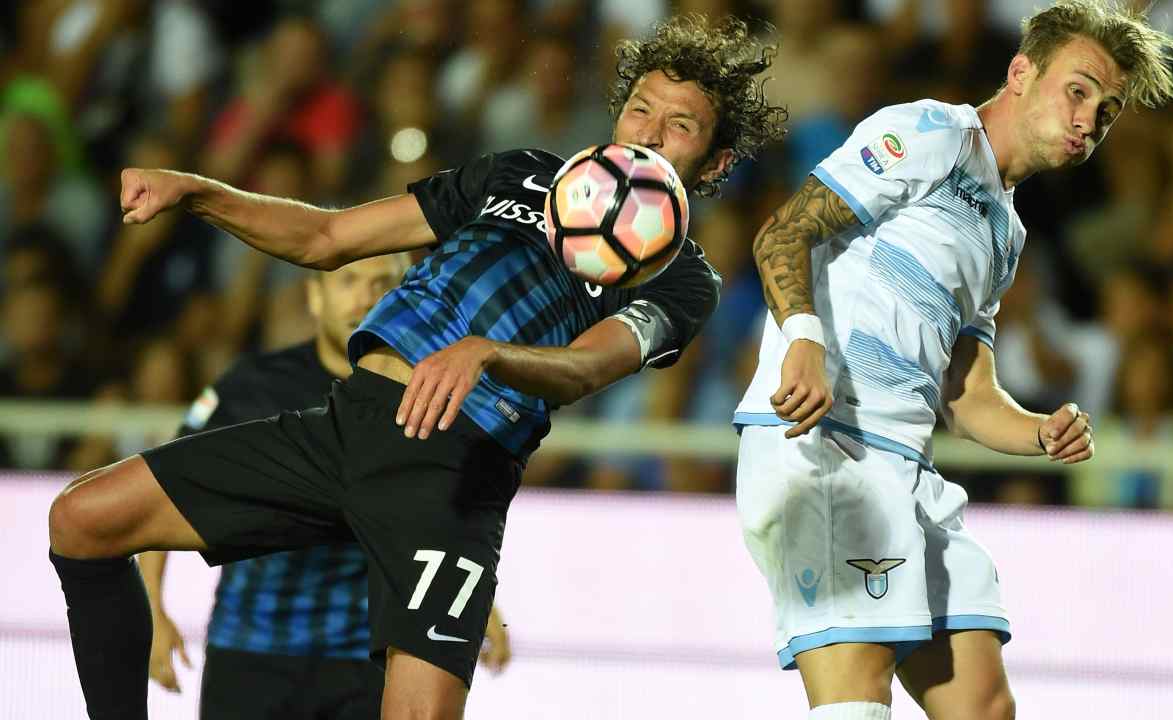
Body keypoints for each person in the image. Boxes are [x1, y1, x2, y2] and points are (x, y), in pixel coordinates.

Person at [46, 14, 786, 720]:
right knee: (83, 518)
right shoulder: (520, 175)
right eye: (639, 110)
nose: (647, 135)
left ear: (715, 161)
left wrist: (489, 353)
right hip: (347, 426)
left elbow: (584, 370)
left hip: (453, 476)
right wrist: (201, 191)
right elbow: (328, 237)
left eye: (679, 125)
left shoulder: (682, 278)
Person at [733, 2, 1173, 718]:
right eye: (1078, 90)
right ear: (1020, 72)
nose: (1089, 120)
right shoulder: (932, 132)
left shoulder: (1006, 231)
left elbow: (964, 394)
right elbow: (783, 235)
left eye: (1108, 109)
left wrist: (1039, 431)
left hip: (908, 468)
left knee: (984, 708)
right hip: (826, 445)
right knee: (857, 698)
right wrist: (807, 342)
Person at [138, 255, 512, 719]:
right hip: (251, 654)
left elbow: (442, 515)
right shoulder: (250, 387)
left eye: (381, 283)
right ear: (315, 297)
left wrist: (482, 606)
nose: (364, 297)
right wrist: (150, 608)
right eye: (348, 281)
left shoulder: (428, 392)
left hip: (365, 659)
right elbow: (162, 487)